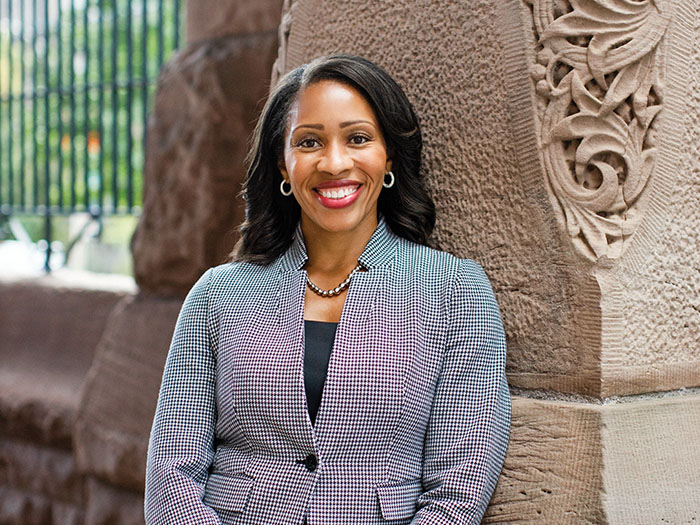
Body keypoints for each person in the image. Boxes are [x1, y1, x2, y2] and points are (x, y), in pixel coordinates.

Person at [145, 54, 510, 524]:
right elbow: (170, 475)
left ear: (389, 155)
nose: (335, 162)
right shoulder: (218, 295)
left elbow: (460, 487)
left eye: (358, 139)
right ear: (283, 164)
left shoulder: (455, 292)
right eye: (310, 142)